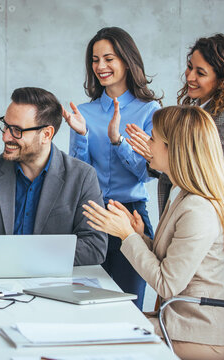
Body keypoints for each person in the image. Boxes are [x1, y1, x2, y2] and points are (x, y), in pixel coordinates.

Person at [83, 106, 224, 360]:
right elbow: (173, 260)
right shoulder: (181, 194)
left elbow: (167, 284)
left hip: (205, 337)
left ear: (174, 149)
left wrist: (128, 236)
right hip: (185, 323)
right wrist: (140, 236)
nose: (147, 144)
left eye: (153, 139)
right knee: (100, 325)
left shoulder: (198, 209)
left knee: (100, 343)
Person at [126, 33, 224, 283]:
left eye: (200, 72)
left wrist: (163, 158)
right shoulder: (204, 110)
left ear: (223, 79)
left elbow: (219, 181)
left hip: (218, 241)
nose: (189, 77)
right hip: (197, 237)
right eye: (190, 67)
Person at [0, 87, 108, 265]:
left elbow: (94, 247)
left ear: (46, 134)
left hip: (52, 283)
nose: (6, 137)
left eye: (17, 130)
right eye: (5, 126)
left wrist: (23, 256)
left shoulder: (81, 176)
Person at [62, 27, 161, 309]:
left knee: (127, 305)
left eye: (109, 58)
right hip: (91, 215)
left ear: (127, 61)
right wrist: (81, 135)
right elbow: (78, 174)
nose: (101, 67)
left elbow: (146, 172)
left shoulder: (149, 110)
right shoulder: (85, 111)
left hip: (130, 216)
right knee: (85, 303)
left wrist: (118, 141)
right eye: (95, 59)